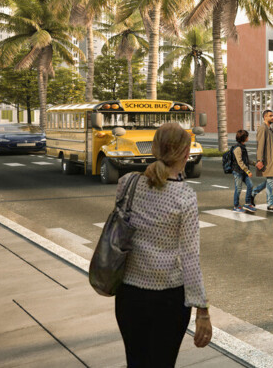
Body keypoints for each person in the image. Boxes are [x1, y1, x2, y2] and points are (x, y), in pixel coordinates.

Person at [116, 122, 211, 366]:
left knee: (135, 362)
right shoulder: (185, 196)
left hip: (129, 293)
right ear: (185, 153)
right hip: (168, 299)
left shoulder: (127, 182)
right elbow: (190, 257)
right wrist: (202, 309)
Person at [255, 110, 273, 212]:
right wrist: (259, 160)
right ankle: (270, 204)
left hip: (272, 160)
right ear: (265, 117)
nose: (272, 117)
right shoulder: (262, 128)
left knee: (271, 181)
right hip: (266, 160)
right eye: (270, 116)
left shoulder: (270, 129)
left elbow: (272, 147)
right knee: (270, 181)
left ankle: (254, 192)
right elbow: (260, 145)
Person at [228, 130, 257, 214]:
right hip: (238, 171)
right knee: (238, 189)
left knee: (250, 185)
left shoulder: (243, 147)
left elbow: (246, 160)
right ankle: (236, 206)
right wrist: (247, 171)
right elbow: (240, 162)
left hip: (243, 171)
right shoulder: (237, 148)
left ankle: (248, 203)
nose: (248, 137)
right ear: (244, 138)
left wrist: (255, 163)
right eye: (247, 136)